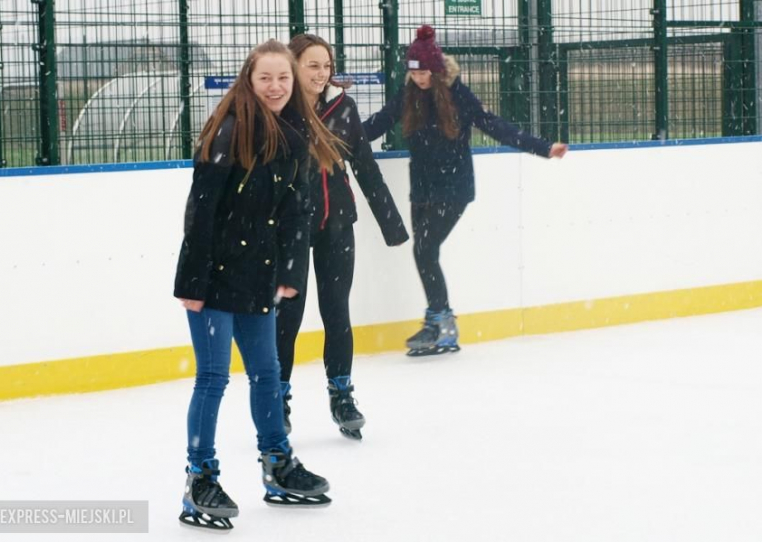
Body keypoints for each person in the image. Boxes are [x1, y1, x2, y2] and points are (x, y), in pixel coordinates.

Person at [174, 39, 346, 530]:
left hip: (258, 278)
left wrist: (291, 273)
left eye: (283, 79)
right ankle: (199, 478)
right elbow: (201, 212)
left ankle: (278, 465)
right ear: (249, 82)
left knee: (268, 375)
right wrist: (193, 281)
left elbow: (297, 212)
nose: (275, 87)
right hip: (212, 278)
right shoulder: (228, 133)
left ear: (294, 85)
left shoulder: (294, 138)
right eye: (265, 78)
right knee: (212, 379)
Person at [363, 25, 568, 357]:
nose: (419, 79)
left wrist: (542, 147)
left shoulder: (458, 94)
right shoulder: (408, 96)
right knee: (425, 252)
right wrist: (335, 141)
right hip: (423, 188)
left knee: (424, 250)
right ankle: (439, 322)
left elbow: (497, 126)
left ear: (437, 69)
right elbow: (376, 124)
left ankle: (442, 325)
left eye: (425, 72)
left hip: (454, 187)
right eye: (414, 73)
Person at [276, 34, 409, 440]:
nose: (320, 74)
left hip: (337, 227)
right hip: (290, 231)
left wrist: (392, 226)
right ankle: (276, 401)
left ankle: (342, 393)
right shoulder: (278, 108)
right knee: (287, 318)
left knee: (337, 312)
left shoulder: (343, 108)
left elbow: (366, 169)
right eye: (312, 65)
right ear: (294, 65)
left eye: (326, 66)